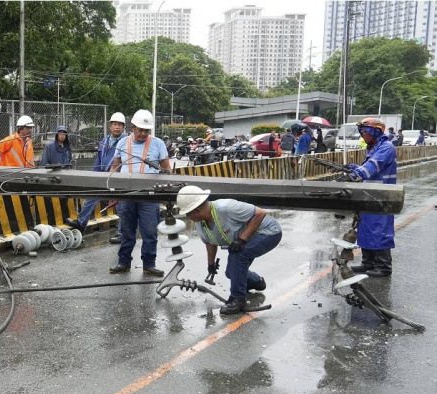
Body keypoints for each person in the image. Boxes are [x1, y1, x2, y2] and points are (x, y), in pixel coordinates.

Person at [176, 185, 282, 314]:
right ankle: (257, 282)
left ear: (197, 210)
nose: (188, 216)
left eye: (188, 213)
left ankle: (237, 299)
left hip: (269, 232)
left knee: (238, 254)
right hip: (251, 236)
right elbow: (210, 242)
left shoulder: (226, 207)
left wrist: (242, 239)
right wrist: (211, 264)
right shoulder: (200, 223)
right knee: (231, 272)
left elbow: (260, 213)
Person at [108, 109, 171, 276]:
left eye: (147, 130)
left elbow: (167, 170)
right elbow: (115, 167)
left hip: (149, 197)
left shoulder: (158, 144)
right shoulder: (122, 144)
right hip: (127, 195)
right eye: (140, 130)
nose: (143, 133)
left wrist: (165, 192)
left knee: (149, 231)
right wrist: (112, 191)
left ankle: (149, 264)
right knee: (127, 232)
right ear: (133, 127)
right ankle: (123, 262)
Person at [340, 117, 397, 277]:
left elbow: (373, 166)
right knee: (366, 228)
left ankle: (384, 266)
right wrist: (354, 168)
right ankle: (368, 263)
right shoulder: (373, 147)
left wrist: (355, 174)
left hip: (382, 195)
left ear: (376, 131)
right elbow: (369, 167)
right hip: (370, 194)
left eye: (365, 132)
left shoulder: (386, 147)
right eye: (361, 132)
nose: (363, 135)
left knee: (379, 229)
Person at [67, 113, 126, 243]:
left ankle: (122, 233)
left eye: (119, 125)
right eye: (115, 124)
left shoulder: (126, 142)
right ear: (110, 126)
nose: (117, 127)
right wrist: (94, 176)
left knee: (121, 206)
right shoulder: (105, 141)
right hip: (103, 175)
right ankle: (81, 223)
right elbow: (99, 160)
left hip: (119, 177)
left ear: (123, 127)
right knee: (91, 197)